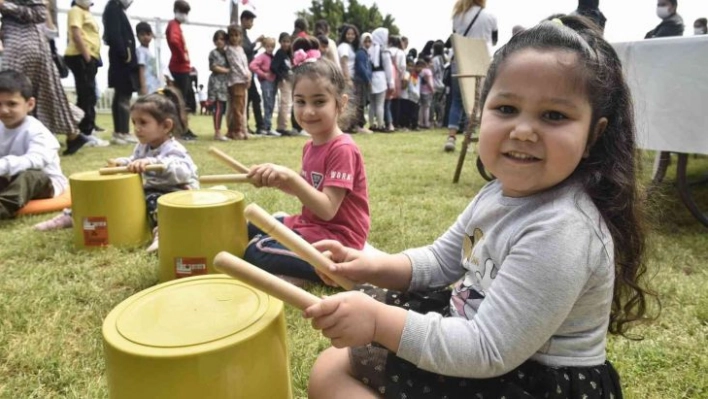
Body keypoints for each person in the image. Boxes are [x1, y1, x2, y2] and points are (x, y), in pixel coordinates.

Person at [305, 16, 654, 399]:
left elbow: (488, 348)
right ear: (480, 111)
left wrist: (376, 322)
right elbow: (441, 261)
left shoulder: (564, 229)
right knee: (334, 365)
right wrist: (370, 265)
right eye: (506, 109)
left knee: (331, 374)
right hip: (475, 338)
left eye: (554, 115)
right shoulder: (495, 194)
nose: (523, 130)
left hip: (526, 377)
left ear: (593, 135)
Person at [244, 36, 370, 286]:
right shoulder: (310, 145)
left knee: (256, 250)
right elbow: (309, 193)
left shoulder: (342, 148)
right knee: (250, 227)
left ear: (340, 104)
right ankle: (304, 268)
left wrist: (290, 176)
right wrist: (279, 181)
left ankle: (335, 270)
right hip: (311, 225)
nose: (308, 111)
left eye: (319, 101)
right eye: (300, 102)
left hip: (339, 238)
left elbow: (327, 208)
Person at [35, 87, 199, 253]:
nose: (137, 128)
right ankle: (70, 217)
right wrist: (122, 163)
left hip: (176, 191)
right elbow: (133, 161)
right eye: (134, 122)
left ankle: (162, 234)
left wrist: (152, 162)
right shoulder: (142, 146)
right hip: (150, 189)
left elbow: (183, 170)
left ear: (166, 126)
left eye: (143, 122)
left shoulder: (173, 148)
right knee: (111, 195)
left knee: (153, 201)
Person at [1, 0, 88, 155]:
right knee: (45, 93)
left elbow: (40, 14)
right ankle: (72, 133)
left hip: (24, 45)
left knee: (14, 91)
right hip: (20, 42)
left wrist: (5, 5)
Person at [0, 70, 67, 219]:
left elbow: (37, 160)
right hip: (10, 179)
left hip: (44, 183)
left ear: (29, 104)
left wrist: (4, 165)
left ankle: (3, 207)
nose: (4, 110)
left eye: (12, 104)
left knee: (30, 176)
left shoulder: (37, 131)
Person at [444, 0, 498, 152]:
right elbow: (494, 40)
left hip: (460, 59)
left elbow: (455, 36)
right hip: (481, 60)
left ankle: (451, 137)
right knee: (479, 101)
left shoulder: (457, 16)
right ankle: (472, 136)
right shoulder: (490, 16)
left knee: (457, 100)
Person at [64, 0, 103, 141]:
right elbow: (76, 34)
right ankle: (86, 131)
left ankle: (85, 129)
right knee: (87, 94)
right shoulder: (75, 10)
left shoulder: (86, 13)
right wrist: (87, 57)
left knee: (89, 94)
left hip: (90, 56)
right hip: (79, 55)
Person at [103, 0, 140, 146]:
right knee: (123, 95)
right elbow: (114, 35)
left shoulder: (116, 10)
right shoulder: (113, 9)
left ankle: (122, 131)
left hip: (123, 59)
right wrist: (126, 54)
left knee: (122, 95)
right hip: (121, 60)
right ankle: (121, 132)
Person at [165, 0, 198, 140]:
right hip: (179, 67)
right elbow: (173, 40)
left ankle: (183, 128)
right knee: (180, 100)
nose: (185, 15)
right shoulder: (173, 25)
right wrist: (182, 55)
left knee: (184, 99)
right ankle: (181, 129)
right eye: (184, 12)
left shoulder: (176, 25)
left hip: (182, 67)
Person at [240, 9, 265, 135]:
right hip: (244, 74)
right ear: (244, 20)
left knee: (252, 99)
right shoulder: (239, 33)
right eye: (250, 21)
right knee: (253, 99)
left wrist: (258, 48)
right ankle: (257, 125)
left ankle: (251, 125)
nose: (251, 23)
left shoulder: (244, 33)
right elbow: (245, 49)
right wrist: (256, 42)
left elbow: (248, 53)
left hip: (248, 72)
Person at [224, 24, 251, 141]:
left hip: (243, 80)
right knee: (236, 108)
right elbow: (235, 65)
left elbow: (245, 63)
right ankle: (236, 130)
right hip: (236, 80)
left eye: (237, 35)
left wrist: (248, 74)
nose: (234, 38)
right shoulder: (229, 49)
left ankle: (242, 129)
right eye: (232, 35)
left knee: (242, 107)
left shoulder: (240, 49)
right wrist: (246, 75)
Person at [249, 37, 280, 136]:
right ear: (265, 46)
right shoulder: (262, 57)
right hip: (266, 82)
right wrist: (263, 74)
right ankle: (267, 126)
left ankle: (268, 125)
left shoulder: (273, 57)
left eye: (272, 47)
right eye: (268, 46)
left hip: (273, 82)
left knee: (271, 103)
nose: (270, 48)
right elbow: (252, 65)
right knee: (267, 103)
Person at [368, 28, 394, 132]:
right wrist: (390, 82)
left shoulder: (369, 49)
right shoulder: (384, 51)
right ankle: (380, 124)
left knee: (372, 104)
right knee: (380, 104)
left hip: (370, 78)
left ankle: (371, 124)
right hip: (381, 78)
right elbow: (388, 69)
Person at [271, 32, 297, 136]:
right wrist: (281, 77)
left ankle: (283, 125)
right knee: (285, 103)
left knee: (288, 103)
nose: (286, 44)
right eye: (284, 41)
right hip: (284, 81)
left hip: (291, 80)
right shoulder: (280, 53)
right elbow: (273, 67)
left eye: (288, 42)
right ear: (280, 42)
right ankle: (282, 127)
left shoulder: (288, 54)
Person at [207, 30, 230, 141]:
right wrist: (227, 71)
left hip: (225, 84)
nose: (219, 41)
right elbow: (213, 67)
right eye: (217, 39)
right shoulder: (213, 53)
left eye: (222, 39)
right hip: (216, 83)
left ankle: (221, 130)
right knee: (218, 108)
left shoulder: (227, 53)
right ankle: (217, 132)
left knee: (223, 107)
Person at [353, 32, 373, 134]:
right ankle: (359, 125)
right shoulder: (361, 53)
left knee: (362, 103)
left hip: (363, 81)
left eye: (369, 41)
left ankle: (359, 125)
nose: (368, 43)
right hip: (360, 81)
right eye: (365, 41)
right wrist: (368, 80)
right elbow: (361, 68)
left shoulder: (366, 53)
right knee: (360, 103)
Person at [136, 22, 161, 96]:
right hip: (147, 86)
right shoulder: (140, 51)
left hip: (154, 85)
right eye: (142, 34)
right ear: (137, 36)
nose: (146, 37)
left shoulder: (149, 51)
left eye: (148, 34)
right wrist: (143, 87)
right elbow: (141, 68)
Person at [430, 40, 447, 127]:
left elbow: (433, 71)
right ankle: (441, 120)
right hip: (442, 83)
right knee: (441, 104)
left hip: (435, 83)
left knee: (433, 103)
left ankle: (432, 121)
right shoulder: (444, 58)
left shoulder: (435, 59)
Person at [416, 58, 434, 129]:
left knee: (421, 107)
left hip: (420, 90)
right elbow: (429, 82)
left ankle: (420, 122)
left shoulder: (420, 71)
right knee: (427, 107)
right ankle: (426, 123)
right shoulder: (428, 71)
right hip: (427, 91)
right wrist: (432, 89)